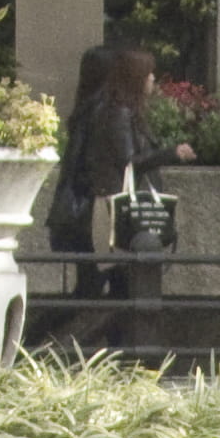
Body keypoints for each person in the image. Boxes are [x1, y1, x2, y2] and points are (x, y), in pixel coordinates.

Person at [46, 42, 163, 352]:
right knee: (105, 289)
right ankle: (51, 346)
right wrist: (169, 154)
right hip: (94, 209)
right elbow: (120, 162)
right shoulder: (108, 112)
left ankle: (82, 349)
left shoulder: (90, 109)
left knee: (98, 289)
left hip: (83, 208)